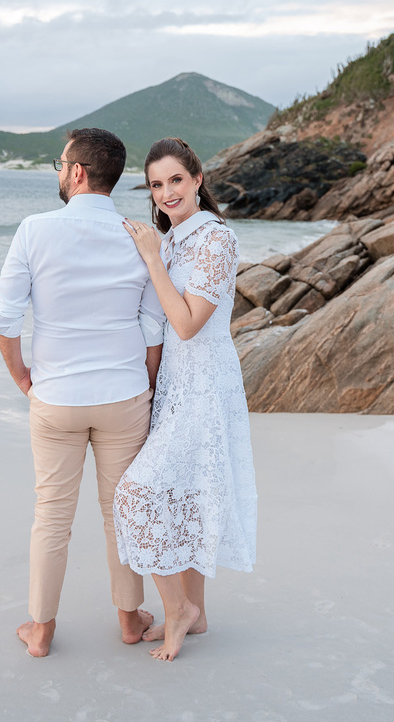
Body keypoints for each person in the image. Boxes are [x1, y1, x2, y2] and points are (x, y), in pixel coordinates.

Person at [0, 128, 165, 657]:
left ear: (78, 172)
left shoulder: (34, 230)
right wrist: (146, 388)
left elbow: (6, 319)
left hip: (57, 397)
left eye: (60, 164)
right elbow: (153, 329)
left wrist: (22, 377)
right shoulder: (139, 234)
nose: (59, 172)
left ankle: (40, 629)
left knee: (52, 515)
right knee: (120, 513)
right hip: (124, 396)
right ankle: (130, 622)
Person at [114, 137, 258, 661]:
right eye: (156, 183)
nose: (167, 191)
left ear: (198, 179)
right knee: (186, 495)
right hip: (176, 382)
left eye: (176, 179)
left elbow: (188, 323)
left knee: (137, 494)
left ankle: (177, 609)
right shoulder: (175, 238)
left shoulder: (213, 239)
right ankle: (195, 614)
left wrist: (151, 256)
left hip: (204, 385)